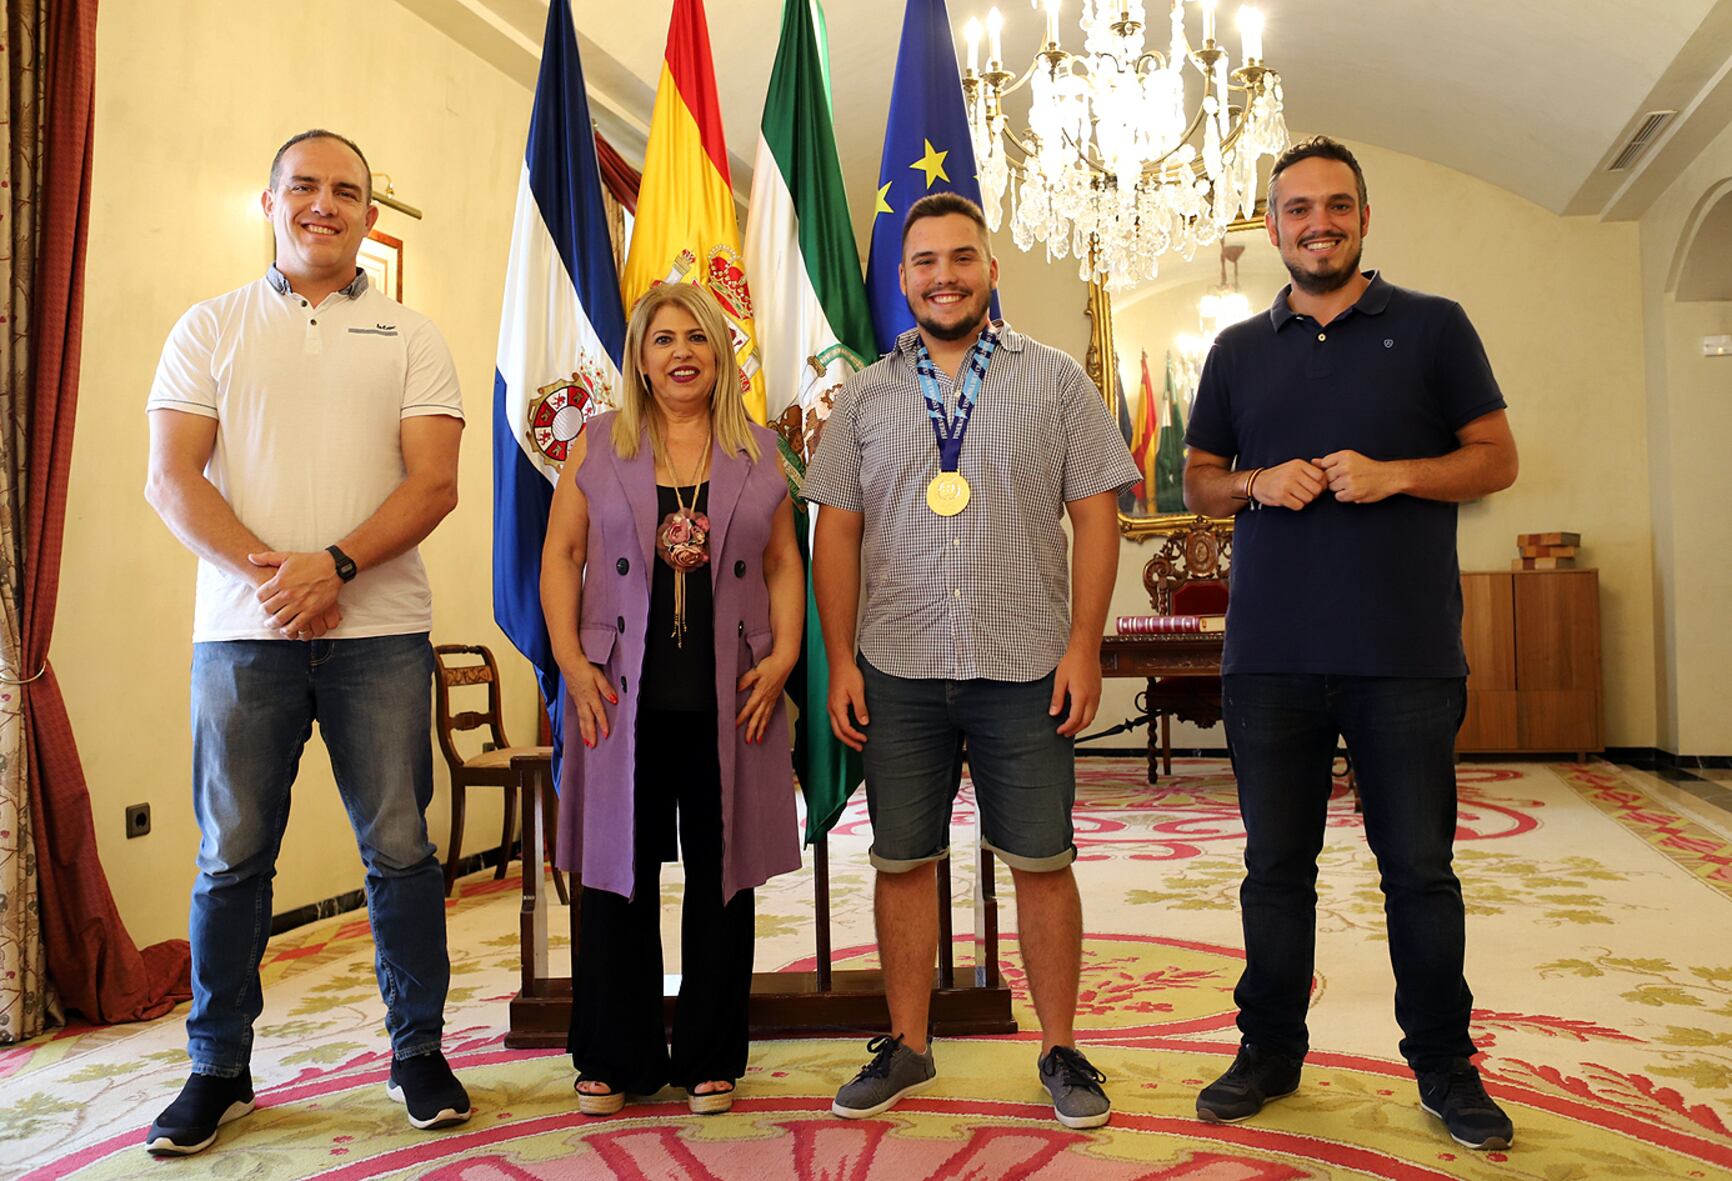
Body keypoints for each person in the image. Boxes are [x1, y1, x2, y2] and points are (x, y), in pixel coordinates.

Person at [1182, 136, 1521, 1150]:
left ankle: (1445, 1068)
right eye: (1295, 208)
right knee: (1274, 868)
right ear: (1273, 224)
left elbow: (1497, 457)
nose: (1316, 222)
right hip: (1270, 658)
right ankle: (1269, 1049)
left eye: (1335, 205)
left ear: (1363, 218)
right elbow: (1195, 481)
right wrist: (1254, 483)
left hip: (1405, 653)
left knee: (1418, 869)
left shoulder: (1433, 327)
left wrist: (1396, 473)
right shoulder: (1238, 349)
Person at [142, 130, 470, 1155]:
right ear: (270, 202)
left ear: (371, 215)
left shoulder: (413, 335)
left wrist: (331, 565)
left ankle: (418, 1052)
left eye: (346, 191)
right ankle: (218, 1067)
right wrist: (274, 578)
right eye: (304, 187)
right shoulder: (209, 327)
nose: (323, 204)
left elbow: (432, 481)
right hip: (242, 640)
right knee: (231, 858)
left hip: (380, 631)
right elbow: (173, 478)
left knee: (402, 852)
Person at [804, 193, 1139, 1130]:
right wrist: (840, 659)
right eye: (924, 261)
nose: (943, 274)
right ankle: (908, 1045)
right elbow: (837, 534)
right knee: (902, 860)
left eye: (962, 257)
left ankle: (1060, 1049)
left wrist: (1083, 645)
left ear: (992, 269)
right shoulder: (865, 394)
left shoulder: (1059, 379)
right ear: (902, 278)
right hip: (898, 664)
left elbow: (1098, 516)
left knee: (1042, 859)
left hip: (1027, 661)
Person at [544, 281, 803, 1117]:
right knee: (616, 877)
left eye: (698, 336)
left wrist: (788, 651)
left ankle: (711, 1054)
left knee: (721, 881)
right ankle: (614, 1055)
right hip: (615, 697)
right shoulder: (595, 447)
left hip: (732, 696)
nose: (682, 351)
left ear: (721, 355)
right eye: (663, 339)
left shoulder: (761, 450)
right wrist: (570, 664)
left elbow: (782, 566)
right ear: (640, 358)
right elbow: (561, 556)